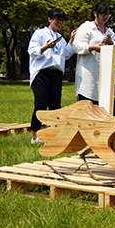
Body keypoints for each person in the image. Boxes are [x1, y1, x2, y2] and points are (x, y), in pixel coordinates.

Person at [28, 8, 77, 144]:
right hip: (41, 72)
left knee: (55, 104)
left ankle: (53, 133)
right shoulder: (40, 33)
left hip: (56, 73)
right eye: (57, 20)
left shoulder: (60, 39)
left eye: (62, 21)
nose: (60, 23)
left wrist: (72, 40)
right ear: (50, 19)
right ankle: (35, 135)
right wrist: (46, 47)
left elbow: (66, 55)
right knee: (41, 103)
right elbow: (32, 51)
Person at [73, 2, 114, 105]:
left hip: (104, 74)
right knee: (87, 104)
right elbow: (77, 47)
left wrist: (111, 43)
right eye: (103, 14)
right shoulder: (86, 27)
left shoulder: (109, 31)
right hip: (88, 72)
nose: (106, 17)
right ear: (95, 13)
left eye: (108, 14)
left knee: (102, 105)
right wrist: (92, 47)